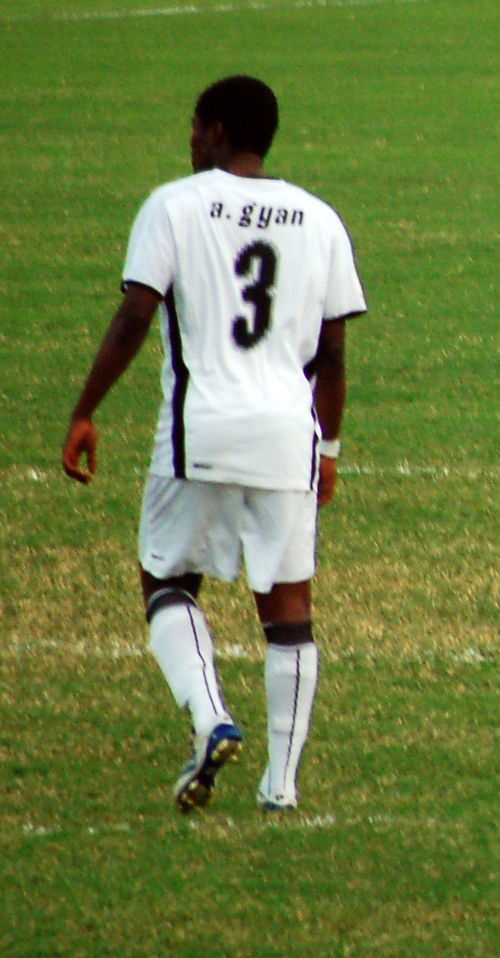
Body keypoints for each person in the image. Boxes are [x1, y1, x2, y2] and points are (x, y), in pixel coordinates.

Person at [63, 75, 367, 813]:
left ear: (221, 132)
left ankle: (210, 719)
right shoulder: (320, 218)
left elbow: (138, 312)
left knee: (167, 580)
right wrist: (326, 451)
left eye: (197, 127)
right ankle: (281, 788)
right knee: (288, 608)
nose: (190, 139)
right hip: (289, 431)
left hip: (201, 427)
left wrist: (84, 410)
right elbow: (332, 354)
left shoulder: (174, 205)